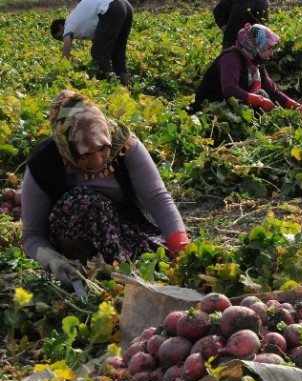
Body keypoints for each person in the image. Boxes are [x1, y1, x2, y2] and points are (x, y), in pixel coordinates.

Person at [21, 90, 190, 288]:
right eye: (85, 155)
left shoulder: (125, 146)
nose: (98, 160)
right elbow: (32, 234)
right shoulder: (43, 164)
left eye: (103, 148)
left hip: (125, 232)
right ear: (65, 148)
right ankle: (85, 271)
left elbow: (157, 198)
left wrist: (181, 247)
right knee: (82, 200)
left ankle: (122, 266)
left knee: (156, 259)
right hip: (72, 246)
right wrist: (51, 259)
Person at [188, 24, 302, 116]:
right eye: (269, 48)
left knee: (263, 95)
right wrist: (261, 102)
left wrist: (298, 107)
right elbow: (229, 90)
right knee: (261, 98)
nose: (271, 53)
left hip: (230, 108)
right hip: (210, 109)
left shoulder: (255, 62)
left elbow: (273, 92)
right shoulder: (231, 58)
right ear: (256, 46)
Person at [50, 0, 134, 86]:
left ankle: (112, 85)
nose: (62, 39)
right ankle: (125, 88)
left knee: (98, 53)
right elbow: (98, 41)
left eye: (60, 37)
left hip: (112, 7)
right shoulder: (80, 22)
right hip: (125, 6)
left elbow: (66, 50)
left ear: (61, 26)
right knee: (117, 53)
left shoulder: (68, 24)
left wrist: (61, 70)